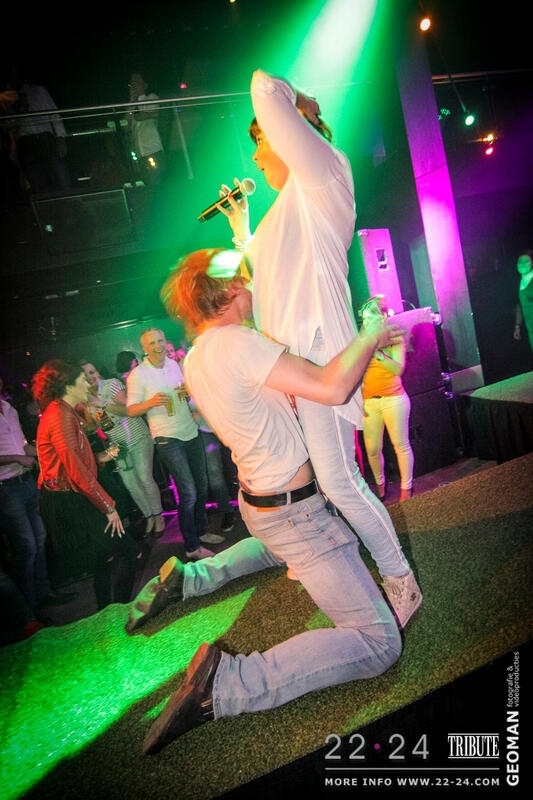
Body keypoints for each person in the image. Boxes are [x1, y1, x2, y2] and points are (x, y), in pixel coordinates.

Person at [138, 246, 407, 755]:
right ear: (231, 288)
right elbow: (331, 387)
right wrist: (371, 333)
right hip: (293, 511)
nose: (254, 284)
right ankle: (228, 685)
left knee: (275, 548)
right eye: (246, 277)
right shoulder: (238, 343)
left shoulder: (197, 355)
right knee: (378, 642)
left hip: (261, 505)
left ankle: (192, 577)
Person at [218, 69, 421, 623]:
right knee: (325, 482)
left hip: (319, 357)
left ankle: (401, 582)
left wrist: (299, 100)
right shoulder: (288, 208)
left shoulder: (325, 176)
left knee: (339, 480)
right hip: (295, 366)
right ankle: (339, 564)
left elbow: (262, 86)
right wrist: (242, 228)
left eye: (260, 142)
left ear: (289, 136)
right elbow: (267, 275)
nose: (255, 158)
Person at [31, 360, 137, 610]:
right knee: (128, 550)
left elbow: (74, 460)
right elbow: (75, 468)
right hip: (70, 498)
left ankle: (105, 610)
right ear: (68, 386)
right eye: (82, 380)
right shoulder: (60, 416)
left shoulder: (64, 411)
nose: (88, 383)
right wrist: (107, 506)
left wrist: (102, 457)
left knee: (102, 555)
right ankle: (119, 610)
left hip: (74, 493)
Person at [126, 328, 214, 561]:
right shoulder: (138, 374)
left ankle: (201, 532)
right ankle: (192, 546)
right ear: (144, 348)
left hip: (190, 431)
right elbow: (131, 409)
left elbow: (184, 395)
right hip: (167, 437)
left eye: (160, 341)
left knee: (201, 486)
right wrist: (151, 402)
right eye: (152, 343)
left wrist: (185, 394)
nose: (158, 346)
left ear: (166, 342)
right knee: (188, 492)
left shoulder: (174, 365)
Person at [0, 372, 77, 617]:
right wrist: (16, 458)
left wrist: (47, 448)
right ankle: (29, 610)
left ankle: (44, 593)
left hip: (25, 482)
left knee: (40, 539)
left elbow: (22, 445)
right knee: (27, 546)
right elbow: (16, 453)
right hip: (6, 488)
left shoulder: (9, 409)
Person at [80, 360, 165, 537]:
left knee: (144, 478)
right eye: (86, 374)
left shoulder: (111, 384)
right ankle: (149, 516)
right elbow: (95, 426)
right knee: (131, 484)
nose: (90, 377)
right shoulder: (85, 398)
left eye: (92, 372)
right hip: (118, 446)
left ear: (97, 372)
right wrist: (83, 425)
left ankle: (159, 517)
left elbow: (129, 410)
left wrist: (102, 403)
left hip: (138, 437)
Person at [166, 340, 235, 536]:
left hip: (226, 424)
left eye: (171, 350)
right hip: (204, 430)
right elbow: (181, 409)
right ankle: (227, 510)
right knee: (213, 474)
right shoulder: (171, 380)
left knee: (243, 464)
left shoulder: (192, 368)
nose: (169, 354)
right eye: (166, 352)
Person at [359, 295, 415, 502]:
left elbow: (398, 369)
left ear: (382, 318)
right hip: (369, 402)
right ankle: (380, 486)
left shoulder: (394, 337)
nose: (367, 323)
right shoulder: (360, 342)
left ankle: (406, 489)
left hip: (393, 399)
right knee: (372, 450)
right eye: (365, 319)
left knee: (400, 445)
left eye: (371, 318)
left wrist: (378, 353)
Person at [4, 59, 71, 194]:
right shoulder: (6, 99)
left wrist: (61, 138)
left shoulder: (38, 90)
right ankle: (48, 206)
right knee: (38, 183)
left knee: (61, 178)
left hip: (45, 138)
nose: (14, 75)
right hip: (26, 143)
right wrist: (18, 112)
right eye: (10, 72)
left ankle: (68, 202)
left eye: (15, 71)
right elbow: (9, 127)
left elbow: (54, 114)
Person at [127, 71, 165, 186]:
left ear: (145, 85)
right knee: (147, 184)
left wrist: (137, 108)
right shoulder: (131, 105)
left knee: (158, 183)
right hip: (140, 154)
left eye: (137, 81)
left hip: (153, 150)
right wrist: (131, 100)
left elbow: (143, 115)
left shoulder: (151, 97)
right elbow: (125, 125)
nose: (134, 84)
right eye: (132, 82)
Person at [513, 249, 533, 353]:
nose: (523, 264)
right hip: (530, 330)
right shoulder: (518, 281)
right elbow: (519, 305)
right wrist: (517, 326)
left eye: (526, 261)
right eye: (520, 262)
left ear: (532, 263)